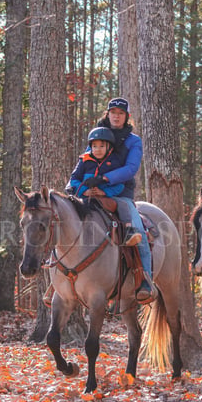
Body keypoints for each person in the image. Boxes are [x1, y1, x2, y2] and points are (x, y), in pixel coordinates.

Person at [85, 97, 156, 303]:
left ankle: (145, 281)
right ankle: (58, 281)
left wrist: (105, 179)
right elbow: (85, 160)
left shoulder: (134, 140)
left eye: (121, 113)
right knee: (66, 219)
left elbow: (131, 168)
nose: (116, 116)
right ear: (107, 114)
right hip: (92, 191)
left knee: (138, 231)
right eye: (113, 112)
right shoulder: (98, 135)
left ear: (126, 117)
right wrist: (77, 184)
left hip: (120, 193)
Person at [66, 127, 141, 247]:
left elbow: (119, 186)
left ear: (109, 147)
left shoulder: (114, 163)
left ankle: (128, 230)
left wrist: (104, 192)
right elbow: (74, 180)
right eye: (94, 146)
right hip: (85, 197)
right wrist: (85, 191)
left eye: (102, 146)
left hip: (106, 197)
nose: (98, 150)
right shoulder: (84, 161)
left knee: (123, 205)